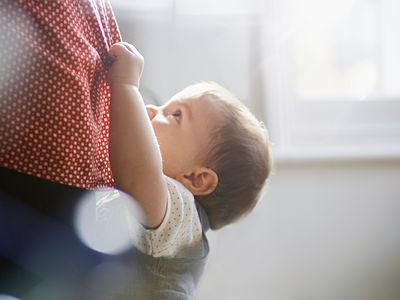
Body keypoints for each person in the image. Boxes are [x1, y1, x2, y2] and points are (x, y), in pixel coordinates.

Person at [100, 42, 273, 297]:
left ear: (197, 178)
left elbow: (138, 173)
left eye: (175, 115)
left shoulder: (181, 215)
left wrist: (126, 85)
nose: (149, 110)